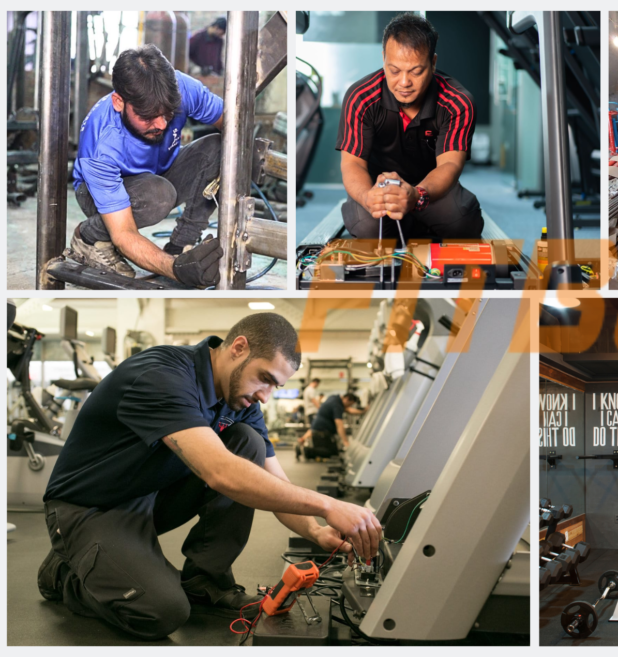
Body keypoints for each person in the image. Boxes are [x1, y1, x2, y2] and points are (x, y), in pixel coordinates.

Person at [37, 313, 383, 640]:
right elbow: (221, 474)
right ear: (238, 348)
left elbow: (276, 482)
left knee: (246, 442)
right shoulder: (163, 375)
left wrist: (315, 529)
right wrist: (327, 504)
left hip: (146, 498)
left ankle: (207, 581)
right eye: (264, 379)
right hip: (87, 509)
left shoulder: (242, 403)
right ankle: (64, 574)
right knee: (161, 611)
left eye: (275, 386)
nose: (265, 395)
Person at [69, 44, 224, 288]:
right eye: (148, 117)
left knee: (220, 146)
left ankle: (180, 245)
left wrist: (246, 156)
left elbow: (231, 122)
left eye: (168, 114)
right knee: (158, 195)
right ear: (119, 102)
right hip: (97, 192)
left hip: (158, 171)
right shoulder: (101, 146)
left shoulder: (181, 88)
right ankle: (88, 236)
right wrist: (175, 271)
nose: (162, 125)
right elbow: (124, 234)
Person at [337, 13, 483, 240]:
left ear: (433, 63)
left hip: (432, 191)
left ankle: (414, 222)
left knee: (463, 224)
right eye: (394, 71)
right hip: (379, 188)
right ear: (383, 58)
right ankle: (406, 224)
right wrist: (367, 197)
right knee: (368, 229)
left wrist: (417, 195)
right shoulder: (361, 97)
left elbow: (450, 164)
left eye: (416, 71)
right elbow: (352, 163)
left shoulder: (457, 102)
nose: (404, 82)